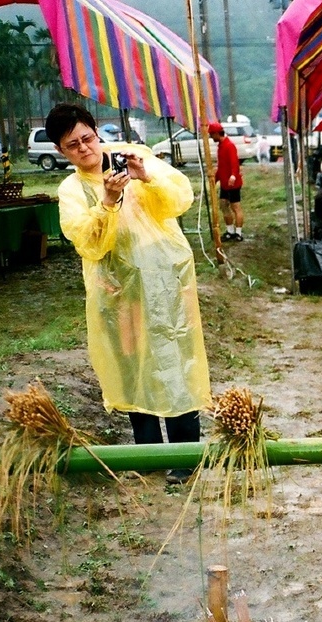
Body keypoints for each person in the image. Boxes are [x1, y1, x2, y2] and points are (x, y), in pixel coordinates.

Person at [48, 102, 210, 476]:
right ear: (61, 150)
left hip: (166, 279)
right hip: (118, 288)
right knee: (132, 365)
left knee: (177, 360)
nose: (85, 148)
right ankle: (149, 457)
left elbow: (178, 199)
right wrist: (107, 201)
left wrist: (146, 177)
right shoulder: (71, 189)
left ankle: (186, 459)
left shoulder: (132, 156)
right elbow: (87, 241)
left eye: (88, 138)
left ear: (96, 131)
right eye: (73, 145)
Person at [209, 122, 243, 241]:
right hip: (224, 182)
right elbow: (222, 166)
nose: (211, 137)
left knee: (236, 207)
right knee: (223, 205)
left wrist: (233, 176)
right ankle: (230, 230)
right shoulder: (221, 146)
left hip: (232, 183)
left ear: (217, 133)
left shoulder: (229, 145)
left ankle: (238, 233)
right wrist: (216, 178)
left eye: (212, 134)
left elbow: (234, 163)